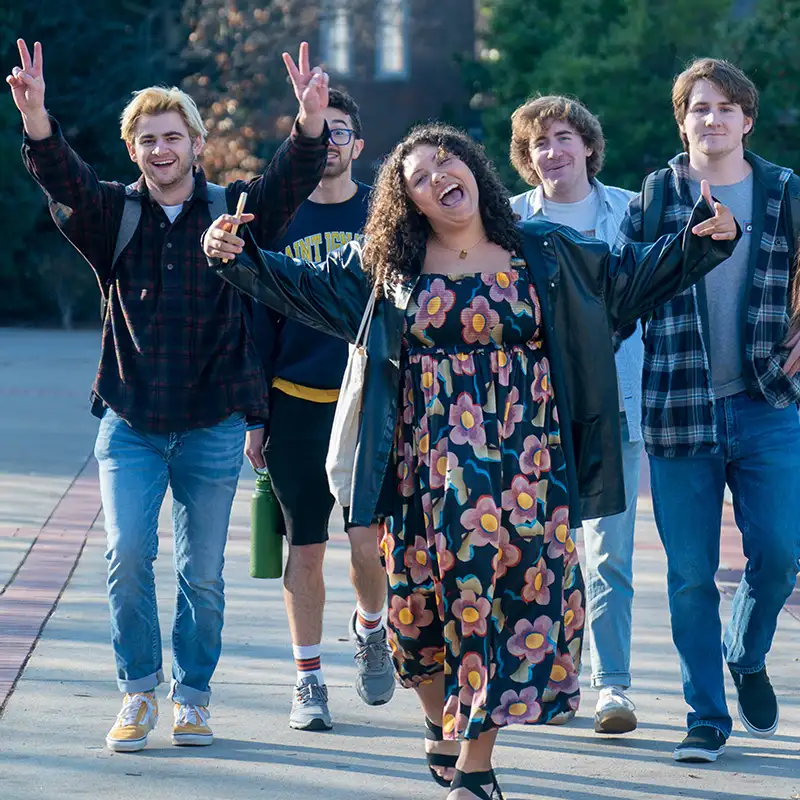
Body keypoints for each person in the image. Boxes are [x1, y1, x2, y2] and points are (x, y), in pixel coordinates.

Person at [203, 123, 736, 799]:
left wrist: (698, 244)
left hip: (527, 473)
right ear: (410, 203)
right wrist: (231, 254)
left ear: (474, 170)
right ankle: (439, 723)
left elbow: (625, 283)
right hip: (419, 471)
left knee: (505, 612)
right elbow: (297, 285)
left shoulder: (545, 250)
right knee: (415, 616)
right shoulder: (385, 270)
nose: (437, 177)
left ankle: (477, 767)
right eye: (419, 177)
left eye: (445, 161)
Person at [8, 38, 330, 752]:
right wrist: (36, 117)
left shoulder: (234, 211)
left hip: (214, 425)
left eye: (172, 137)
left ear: (196, 143)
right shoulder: (112, 217)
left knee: (203, 576)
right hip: (131, 421)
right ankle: (137, 693)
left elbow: (287, 180)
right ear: (134, 150)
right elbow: (63, 176)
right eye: (147, 139)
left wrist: (309, 123)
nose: (160, 149)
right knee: (125, 556)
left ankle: (192, 696)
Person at [617, 57, 800, 764]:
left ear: (746, 120)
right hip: (679, 405)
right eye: (699, 107)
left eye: (726, 107)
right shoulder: (655, 197)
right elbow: (623, 297)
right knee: (691, 573)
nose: (713, 118)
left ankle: (746, 654)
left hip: (768, 403)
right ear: (682, 120)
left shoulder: (784, 191)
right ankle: (705, 715)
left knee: (780, 556)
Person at [244, 89, 393, 731]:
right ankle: (308, 681)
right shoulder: (278, 215)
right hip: (296, 404)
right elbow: (253, 318)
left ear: (358, 146)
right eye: (319, 131)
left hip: (367, 405)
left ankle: (371, 629)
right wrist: (256, 413)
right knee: (304, 549)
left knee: (369, 547)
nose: (330, 142)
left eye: (342, 133)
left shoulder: (384, 216)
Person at [508, 95, 642, 734]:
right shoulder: (507, 223)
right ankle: (545, 683)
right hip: (535, 417)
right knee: (539, 558)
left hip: (617, 408)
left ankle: (612, 688)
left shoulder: (632, 212)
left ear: (588, 144)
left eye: (563, 137)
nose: (552, 151)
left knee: (608, 555)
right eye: (538, 143)